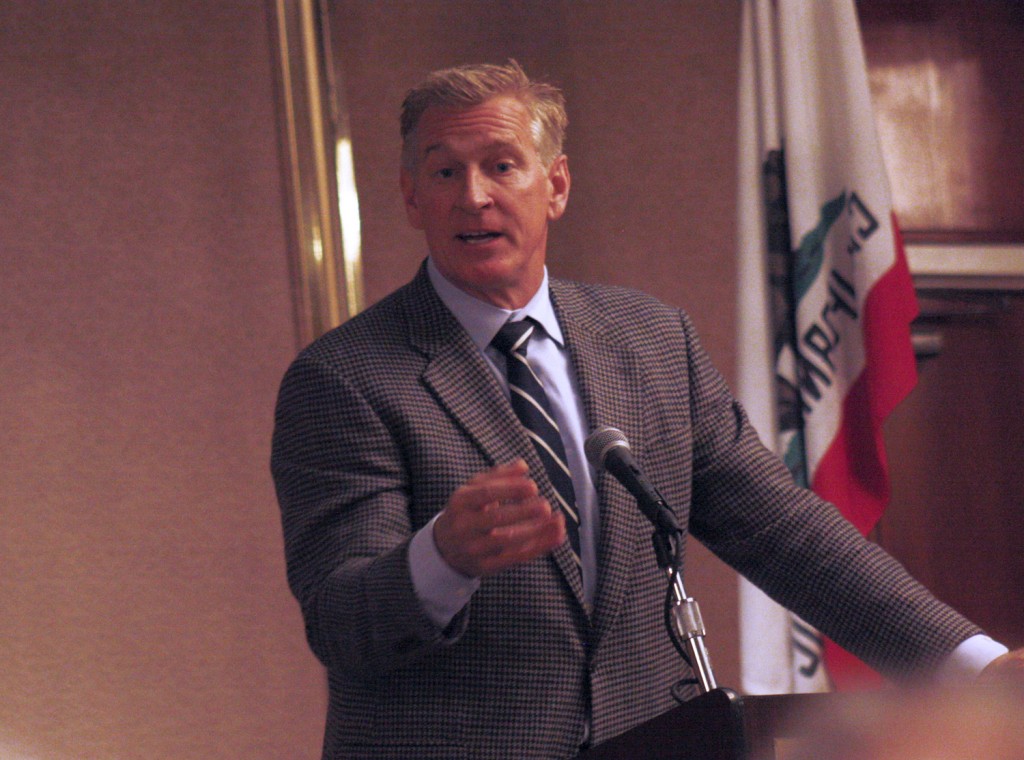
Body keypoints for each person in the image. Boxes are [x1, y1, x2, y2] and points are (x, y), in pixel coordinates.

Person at [271, 61, 1021, 760]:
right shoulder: (345, 378)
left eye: (501, 165)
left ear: (555, 185)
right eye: (444, 171)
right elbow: (342, 622)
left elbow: (786, 533)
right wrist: (443, 556)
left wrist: (972, 666)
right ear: (411, 196)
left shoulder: (652, 340)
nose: (473, 195)